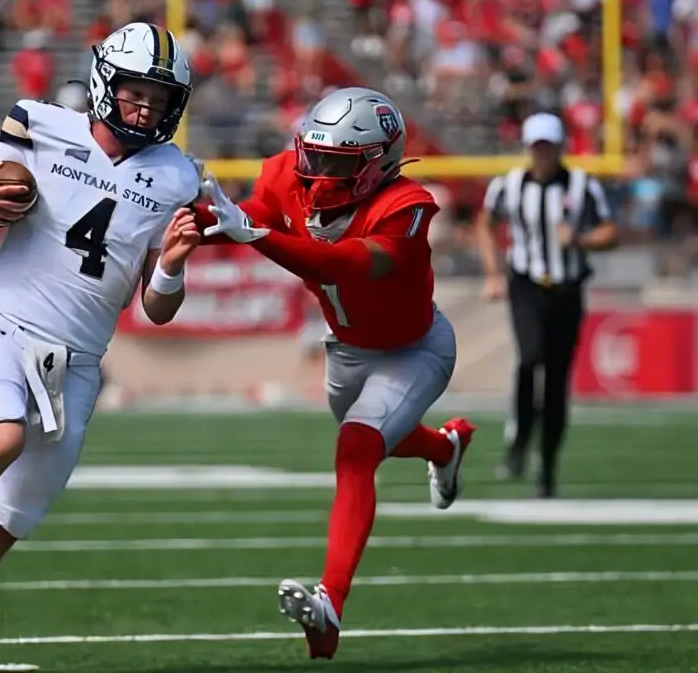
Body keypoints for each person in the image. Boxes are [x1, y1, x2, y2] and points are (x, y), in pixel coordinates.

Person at [0, 22, 201, 673]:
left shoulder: (178, 176)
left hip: (78, 365)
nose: (144, 107)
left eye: (157, 97)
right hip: (7, 329)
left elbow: (158, 307)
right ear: (104, 84)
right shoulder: (37, 123)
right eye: (134, 92)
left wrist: (171, 263)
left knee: (0, 531)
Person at [190, 87, 475, 660]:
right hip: (345, 349)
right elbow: (243, 220)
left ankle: (330, 606)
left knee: (356, 449)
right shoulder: (287, 176)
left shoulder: (408, 203)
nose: (317, 173)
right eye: (313, 155)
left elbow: (349, 263)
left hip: (413, 350)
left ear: (377, 163)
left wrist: (258, 236)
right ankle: (444, 449)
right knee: (372, 438)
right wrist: (187, 215)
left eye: (336, 162)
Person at [476, 112, 617, 498]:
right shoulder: (510, 184)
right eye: (536, 146)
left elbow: (610, 231)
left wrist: (581, 240)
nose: (542, 153)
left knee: (556, 378)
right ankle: (520, 438)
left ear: (559, 147)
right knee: (529, 358)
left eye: (548, 146)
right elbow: (485, 224)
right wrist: (492, 272)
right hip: (526, 282)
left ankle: (547, 464)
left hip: (567, 288)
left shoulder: (582, 184)